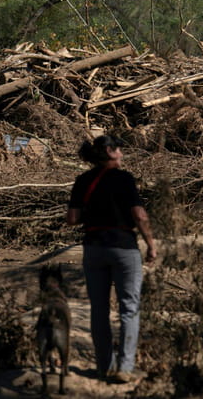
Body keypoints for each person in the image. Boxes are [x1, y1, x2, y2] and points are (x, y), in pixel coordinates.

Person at [66, 135, 157, 383]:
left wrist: (94, 213)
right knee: (129, 308)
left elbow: (72, 219)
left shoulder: (83, 180)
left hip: (93, 248)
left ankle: (104, 366)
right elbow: (139, 214)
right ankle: (125, 368)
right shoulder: (124, 179)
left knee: (99, 309)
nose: (123, 153)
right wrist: (150, 243)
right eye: (120, 149)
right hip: (123, 247)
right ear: (110, 150)